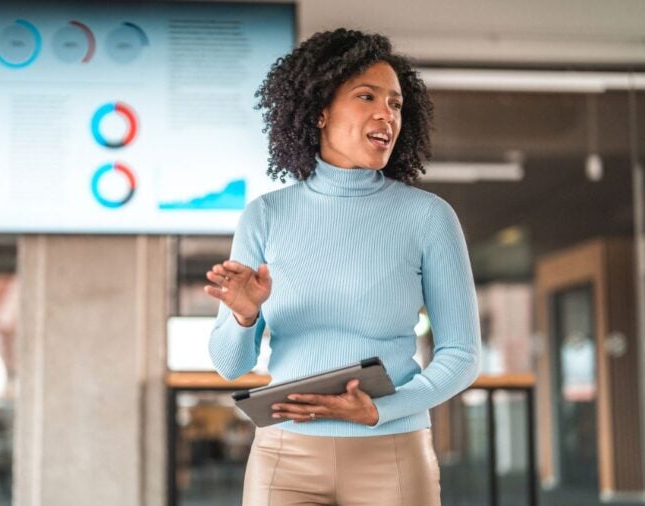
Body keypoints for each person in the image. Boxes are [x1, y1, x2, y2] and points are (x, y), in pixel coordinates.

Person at [205, 28, 481, 506]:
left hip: (392, 453)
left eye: (395, 103)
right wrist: (244, 315)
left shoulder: (428, 216)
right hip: (285, 457)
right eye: (367, 97)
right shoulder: (265, 215)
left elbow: (462, 354)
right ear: (320, 111)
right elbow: (232, 366)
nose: (386, 114)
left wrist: (381, 410)